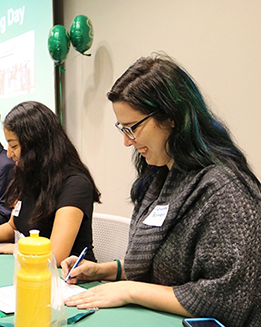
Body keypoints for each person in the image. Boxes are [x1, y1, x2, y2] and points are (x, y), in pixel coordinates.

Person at [62, 55, 261, 327]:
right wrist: (103, 270)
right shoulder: (160, 176)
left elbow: (225, 299)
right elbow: (159, 267)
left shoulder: (225, 191)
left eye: (132, 128)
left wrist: (131, 290)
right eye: (122, 128)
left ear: (170, 118)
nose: (126, 142)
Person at [0, 101, 101, 266]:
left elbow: (56, 255)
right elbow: (11, 228)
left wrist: (17, 248)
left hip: (67, 279)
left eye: (14, 145)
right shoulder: (30, 176)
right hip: (30, 265)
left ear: (36, 145)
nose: (8, 153)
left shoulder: (75, 184)